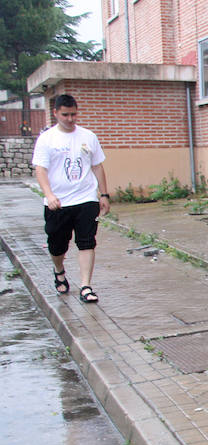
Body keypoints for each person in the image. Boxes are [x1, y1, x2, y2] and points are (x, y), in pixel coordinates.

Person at [32, 94, 110, 303]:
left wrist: (103, 194)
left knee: (87, 243)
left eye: (73, 114)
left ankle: (86, 286)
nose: (70, 119)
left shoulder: (88, 136)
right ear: (56, 113)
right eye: (65, 115)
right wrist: (49, 195)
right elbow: (41, 169)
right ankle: (59, 271)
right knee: (57, 245)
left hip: (86, 199)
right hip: (58, 202)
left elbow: (97, 165)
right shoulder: (47, 139)